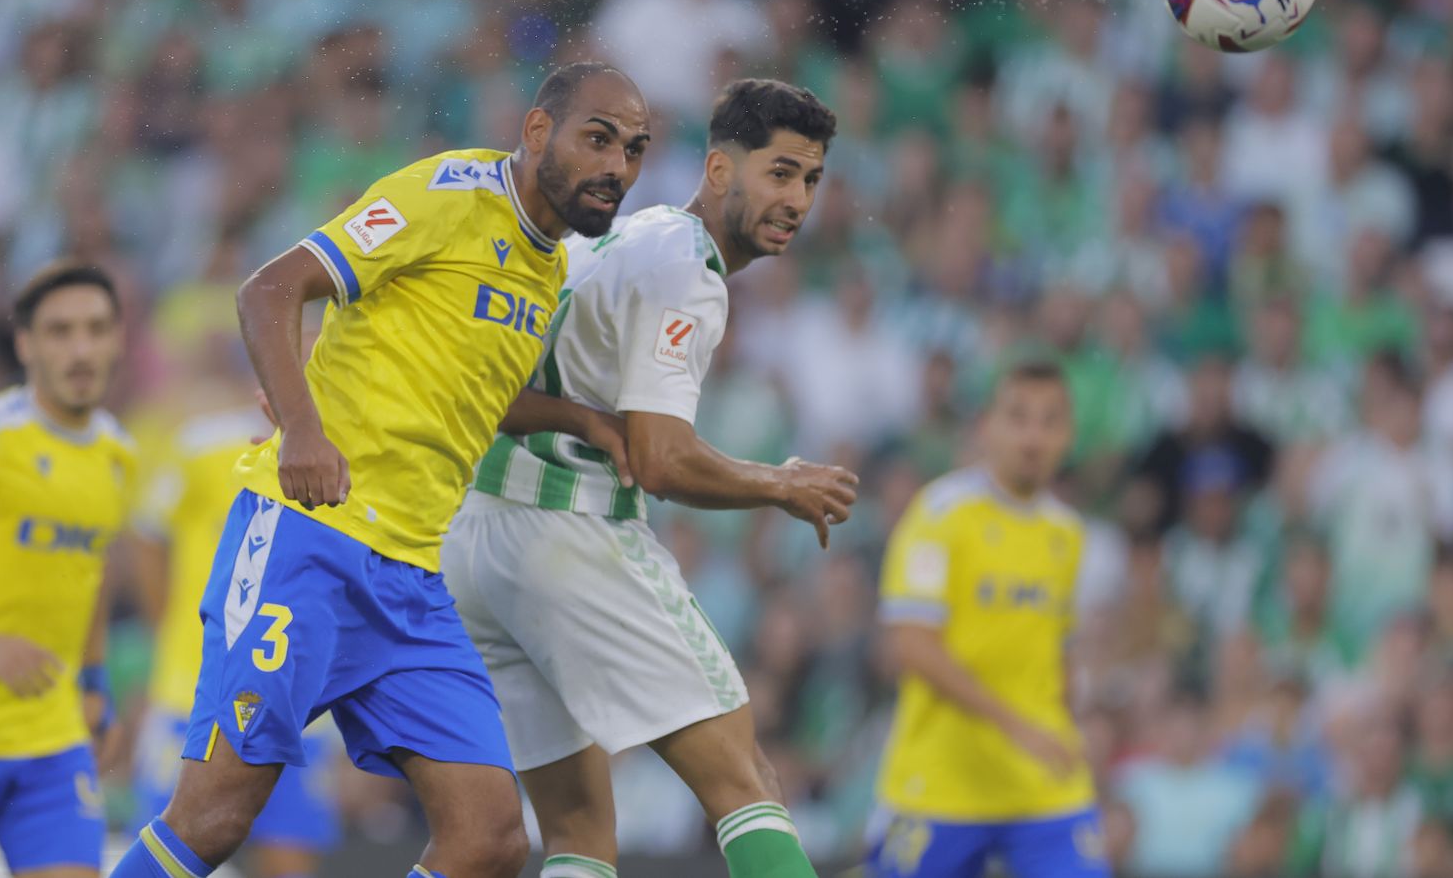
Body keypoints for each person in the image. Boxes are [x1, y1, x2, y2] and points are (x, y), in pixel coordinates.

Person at [110, 62, 651, 878]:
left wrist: (584, 422)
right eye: (599, 138)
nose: (617, 166)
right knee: (215, 816)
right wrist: (301, 429)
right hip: (309, 540)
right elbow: (270, 289)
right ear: (538, 132)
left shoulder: (546, 265)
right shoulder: (450, 193)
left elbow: (475, 392)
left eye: (636, 150)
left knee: (491, 836)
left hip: (410, 584)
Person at [444, 78, 857, 878]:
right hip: (571, 536)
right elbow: (661, 459)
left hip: (479, 543)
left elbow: (493, 390)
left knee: (577, 829)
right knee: (746, 780)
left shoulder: (626, 236)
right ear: (718, 169)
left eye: (810, 179)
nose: (797, 198)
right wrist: (781, 483)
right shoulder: (687, 270)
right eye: (778, 172)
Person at [870, 362, 1109, 878]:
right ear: (986, 426)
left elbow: (1057, 647)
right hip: (941, 782)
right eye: (1018, 417)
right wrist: (1018, 727)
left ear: (1068, 436)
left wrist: (1074, 719)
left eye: (1050, 421)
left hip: (1044, 786)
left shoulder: (1066, 534)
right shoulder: (939, 515)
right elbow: (912, 647)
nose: (1034, 436)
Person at [129, 323, 339, 877]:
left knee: (288, 861)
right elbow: (149, 537)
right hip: (192, 692)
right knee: (177, 847)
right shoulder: (204, 445)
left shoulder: (354, 460)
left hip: (299, 706)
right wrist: (172, 630)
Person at [0, 262, 133, 877]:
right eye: (59, 332)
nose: (81, 349)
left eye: (95, 329)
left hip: (51, 741)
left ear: (118, 339)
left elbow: (94, 570)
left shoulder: (117, 456)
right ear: (26, 345)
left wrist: (96, 679)